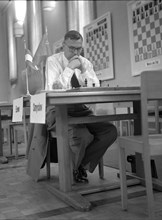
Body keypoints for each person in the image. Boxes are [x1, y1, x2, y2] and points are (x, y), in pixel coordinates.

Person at [44, 30, 117, 183]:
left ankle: (80, 166)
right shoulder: (53, 61)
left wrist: (83, 70)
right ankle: (74, 170)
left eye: (79, 48)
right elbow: (55, 89)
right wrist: (70, 68)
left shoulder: (85, 62)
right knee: (81, 135)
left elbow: (95, 87)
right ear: (63, 46)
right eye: (71, 48)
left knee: (110, 131)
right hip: (58, 111)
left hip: (81, 110)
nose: (75, 52)